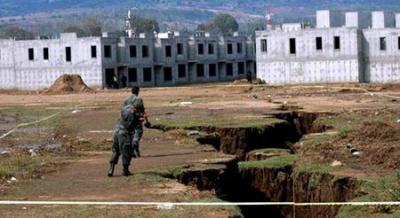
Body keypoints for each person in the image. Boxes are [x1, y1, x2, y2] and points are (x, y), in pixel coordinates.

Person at [108, 105, 138, 177]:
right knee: (126, 151)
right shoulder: (131, 113)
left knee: (115, 150)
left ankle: (111, 169)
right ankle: (125, 170)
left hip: (116, 132)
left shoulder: (123, 110)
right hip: (123, 134)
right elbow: (129, 125)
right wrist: (138, 121)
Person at [122, 86, 151, 158]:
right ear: (138, 91)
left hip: (127, 120)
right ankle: (135, 144)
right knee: (138, 132)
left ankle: (134, 152)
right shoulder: (139, 99)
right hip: (136, 119)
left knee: (130, 134)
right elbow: (143, 111)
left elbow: (123, 110)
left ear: (131, 91)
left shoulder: (126, 99)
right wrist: (147, 121)